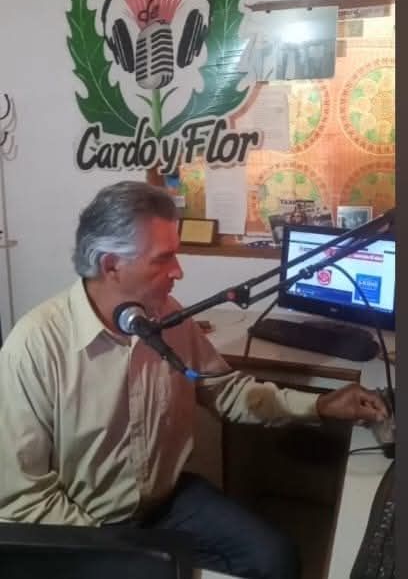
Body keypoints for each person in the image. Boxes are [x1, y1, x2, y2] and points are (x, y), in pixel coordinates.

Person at [0, 181, 388, 579]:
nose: (179, 271)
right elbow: (23, 495)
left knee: (276, 559)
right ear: (111, 265)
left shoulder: (167, 316)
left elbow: (224, 389)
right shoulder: (34, 347)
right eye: (163, 258)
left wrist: (319, 405)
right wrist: (113, 553)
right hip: (84, 523)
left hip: (167, 503)